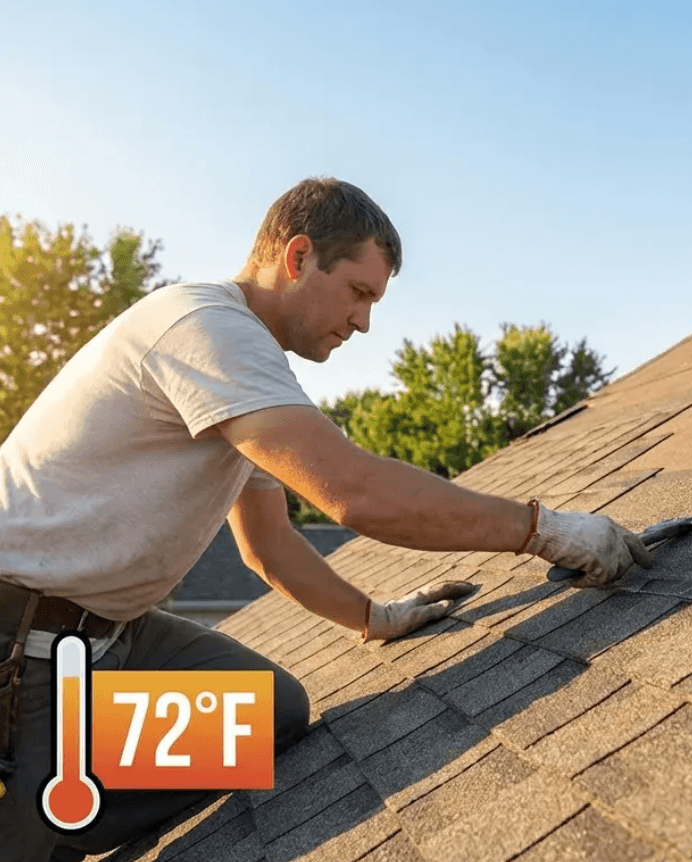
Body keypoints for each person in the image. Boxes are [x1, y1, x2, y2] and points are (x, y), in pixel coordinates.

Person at [0, 177, 654, 861]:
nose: (364, 322)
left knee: (271, 713)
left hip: (114, 637)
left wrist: (373, 617)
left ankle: (71, 794)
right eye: (359, 293)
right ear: (299, 256)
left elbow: (269, 547)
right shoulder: (202, 326)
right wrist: (546, 529)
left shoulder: (244, 381)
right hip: (23, 646)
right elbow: (353, 493)